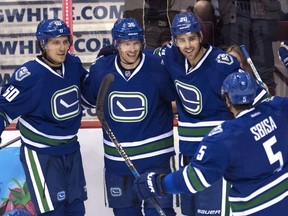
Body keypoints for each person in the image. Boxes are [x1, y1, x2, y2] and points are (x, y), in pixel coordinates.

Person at [133, 70, 288, 216]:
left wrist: (159, 183)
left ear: (226, 99)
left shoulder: (225, 137)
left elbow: (195, 178)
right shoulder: (277, 109)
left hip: (257, 209)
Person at [81, 17, 177, 216]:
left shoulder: (157, 67)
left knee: (159, 213)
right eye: (126, 43)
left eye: (135, 43)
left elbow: (177, 99)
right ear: (116, 44)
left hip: (155, 161)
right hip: (118, 163)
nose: (132, 49)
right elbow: (89, 100)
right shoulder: (101, 69)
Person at [156, 11, 242, 216]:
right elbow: (141, 57)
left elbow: (248, 99)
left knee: (211, 212)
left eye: (192, 39)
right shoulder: (170, 57)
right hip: (188, 151)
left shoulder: (223, 64)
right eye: (182, 40)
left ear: (201, 37)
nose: (187, 45)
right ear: (174, 40)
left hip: (216, 152)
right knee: (190, 211)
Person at [0, 19, 88, 215]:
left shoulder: (73, 64)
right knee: (52, 212)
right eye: (55, 42)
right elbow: (3, 107)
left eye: (65, 41)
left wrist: (103, 67)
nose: (62, 47)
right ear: (43, 44)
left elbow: (88, 94)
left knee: (76, 209)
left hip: (71, 151)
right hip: (41, 155)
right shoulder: (31, 74)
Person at [218, 0, 282, 95]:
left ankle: (267, 103)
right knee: (236, 67)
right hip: (233, 11)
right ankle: (236, 106)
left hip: (265, 11)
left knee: (263, 69)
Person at [123, 0, 192, 49]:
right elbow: (130, 11)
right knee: (149, 59)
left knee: (172, 60)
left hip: (171, 26)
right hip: (148, 28)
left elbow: (186, 8)